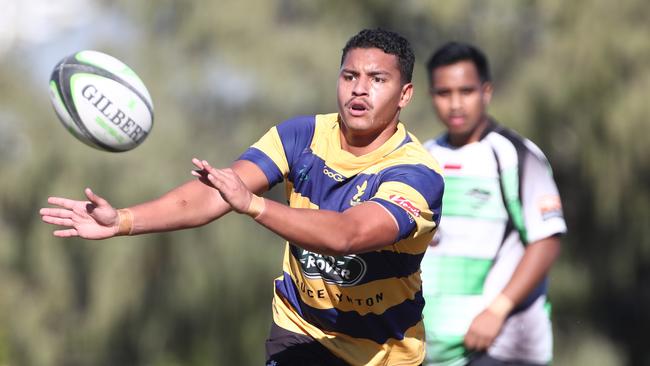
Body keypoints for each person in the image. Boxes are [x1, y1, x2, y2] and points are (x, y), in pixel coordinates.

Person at [40, 28, 444, 366]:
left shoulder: (416, 174)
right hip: (301, 332)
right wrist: (123, 220)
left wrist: (254, 205)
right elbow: (213, 194)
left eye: (377, 79)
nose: (359, 89)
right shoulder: (300, 136)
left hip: (385, 353)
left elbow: (349, 234)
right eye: (349, 76)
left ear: (404, 94)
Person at [420, 42, 567, 366]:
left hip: (504, 347)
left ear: (486, 92)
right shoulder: (423, 157)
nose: (455, 104)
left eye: (466, 91)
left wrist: (497, 310)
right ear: (431, 96)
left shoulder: (515, 155)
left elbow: (547, 239)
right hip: (436, 353)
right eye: (444, 93)